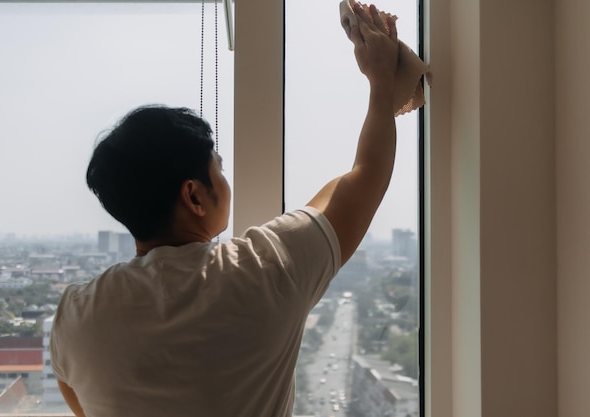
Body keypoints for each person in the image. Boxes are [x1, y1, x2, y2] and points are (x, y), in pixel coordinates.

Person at [50, 2, 399, 416]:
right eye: (220, 170)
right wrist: (381, 83)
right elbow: (365, 176)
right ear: (194, 196)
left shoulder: (74, 317)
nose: (228, 184)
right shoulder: (264, 269)